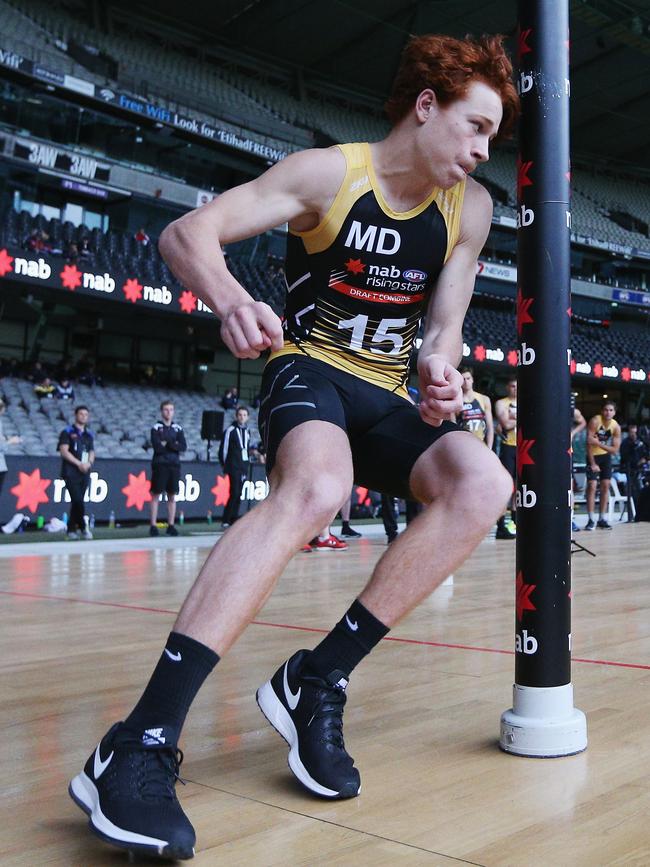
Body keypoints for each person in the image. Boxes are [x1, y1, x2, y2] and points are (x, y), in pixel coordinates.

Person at [69, 33, 518, 859]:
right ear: (426, 106)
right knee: (318, 488)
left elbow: (444, 331)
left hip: (386, 390)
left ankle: (318, 676)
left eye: (494, 136)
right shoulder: (330, 175)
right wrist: (233, 298)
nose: (486, 149)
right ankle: (136, 741)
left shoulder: (473, 209)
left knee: (483, 486)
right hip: (308, 367)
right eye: (476, 126)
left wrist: (442, 371)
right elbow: (188, 235)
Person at [149, 400, 187, 537]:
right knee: (156, 494)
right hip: (160, 464)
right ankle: (153, 525)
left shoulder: (178, 428)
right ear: (161, 411)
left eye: (171, 409)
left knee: (172, 495)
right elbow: (157, 446)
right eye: (166, 409)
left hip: (174, 465)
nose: (168, 412)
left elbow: (183, 446)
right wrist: (173, 444)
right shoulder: (156, 427)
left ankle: (171, 525)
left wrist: (169, 443)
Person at [58, 405, 95, 540]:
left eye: (86, 414)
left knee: (78, 502)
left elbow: (91, 451)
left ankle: (71, 529)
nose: (83, 417)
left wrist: (89, 463)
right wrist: (78, 463)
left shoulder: (89, 434)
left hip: (84, 472)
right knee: (77, 500)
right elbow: (64, 451)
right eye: (81, 414)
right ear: (76, 415)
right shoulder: (67, 432)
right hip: (71, 471)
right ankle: (83, 527)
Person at [585, 400, 621, 530]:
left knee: (606, 486)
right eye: (606, 410)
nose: (608, 412)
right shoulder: (595, 420)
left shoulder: (616, 426)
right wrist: (593, 463)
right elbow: (588, 443)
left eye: (611, 410)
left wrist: (598, 443)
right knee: (592, 485)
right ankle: (590, 519)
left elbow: (615, 450)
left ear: (614, 413)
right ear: (602, 411)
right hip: (592, 456)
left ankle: (602, 518)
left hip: (605, 457)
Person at [218, 405, 252, 527]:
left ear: (247, 417)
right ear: (236, 416)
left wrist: (246, 464)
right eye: (240, 415)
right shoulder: (230, 430)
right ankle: (226, 520)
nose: (242, 417)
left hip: (243, 466)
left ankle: (233, 519)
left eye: (244, 415)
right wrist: (225, 466)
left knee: (239, 494)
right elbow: (223, 450)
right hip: (233, 466)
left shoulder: (247, 431)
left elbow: (246, 449)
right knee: (234, 492)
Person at [494, 377, 517, 539]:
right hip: (508, 446)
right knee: (506, 487)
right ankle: (501, 526)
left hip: (524, 446)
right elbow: (506, 424)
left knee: (520, 487)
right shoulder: (501, 403)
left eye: (517, 386)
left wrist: (513, 417)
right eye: (512, 386)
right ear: (507, 387)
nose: (514, 388)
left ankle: (515, 522)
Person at [457, 367, 494, 448]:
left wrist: (489, 447)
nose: (466, 381)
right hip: (463, 445)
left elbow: (490, 426)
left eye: (468, 378)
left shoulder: (484, 399)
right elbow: (453, 425)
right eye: (463, 379)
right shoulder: (457, 400)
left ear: (472, 379)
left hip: (481, 443)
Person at [619, 423, 648, 519]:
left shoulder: (641, 441)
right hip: (631, 471)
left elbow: (646, 453)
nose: (633, 431)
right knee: (636, 493)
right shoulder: (625, 443)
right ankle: (636, 514)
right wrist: (636, 463)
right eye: (631, 429)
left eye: (634, 428)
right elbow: (625, 458)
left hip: (642, 470)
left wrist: (645, 459)